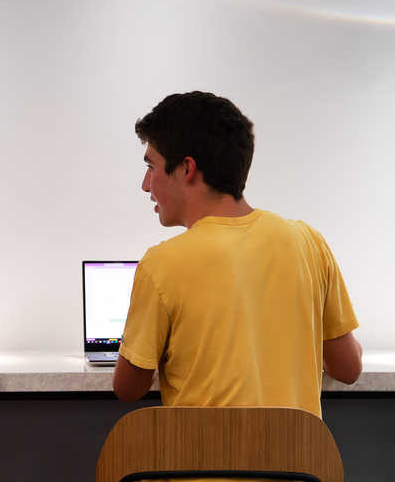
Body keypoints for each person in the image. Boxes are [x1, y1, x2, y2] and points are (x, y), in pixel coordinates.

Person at [113, 91, 362, 418]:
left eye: (151, 166)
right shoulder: (309, 243)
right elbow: (349, 368)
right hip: (298, 453)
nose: (146, 185)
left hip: (202, 454)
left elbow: (127, 388)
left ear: (187, 168)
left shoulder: (161, 264)